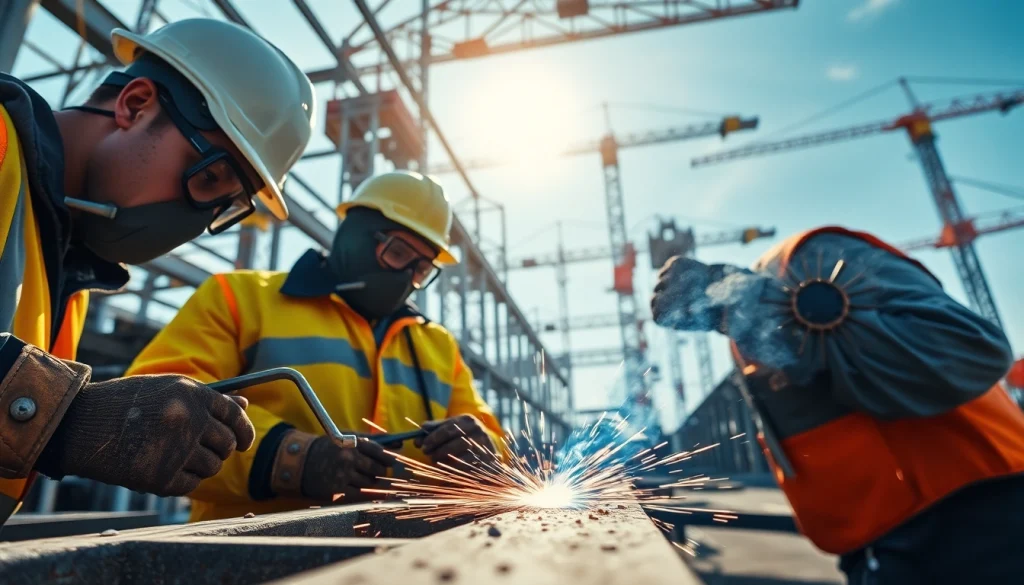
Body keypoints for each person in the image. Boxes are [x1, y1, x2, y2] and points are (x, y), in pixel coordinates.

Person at [0, 18, 316, 523]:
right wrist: (60, 416)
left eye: (223, 206)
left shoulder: (67, 273)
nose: (195, 222)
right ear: (135, 104)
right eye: (209, 177)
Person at [650, 225, 1024, 585]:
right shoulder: (746, 324)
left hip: (984, 521)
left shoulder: (809, 259)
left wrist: (751, 300)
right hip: (885, 546)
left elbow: (969, 352)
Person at [125, 170, 506, 522]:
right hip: (245, 555)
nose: (407, 278)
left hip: (413, 558)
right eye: (398, 253)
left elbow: (495, 445)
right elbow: (150, 413)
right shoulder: (239, 299)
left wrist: (485, 453)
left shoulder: (437, 345)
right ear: (355, 237)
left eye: (421, 269)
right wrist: (289, 458)